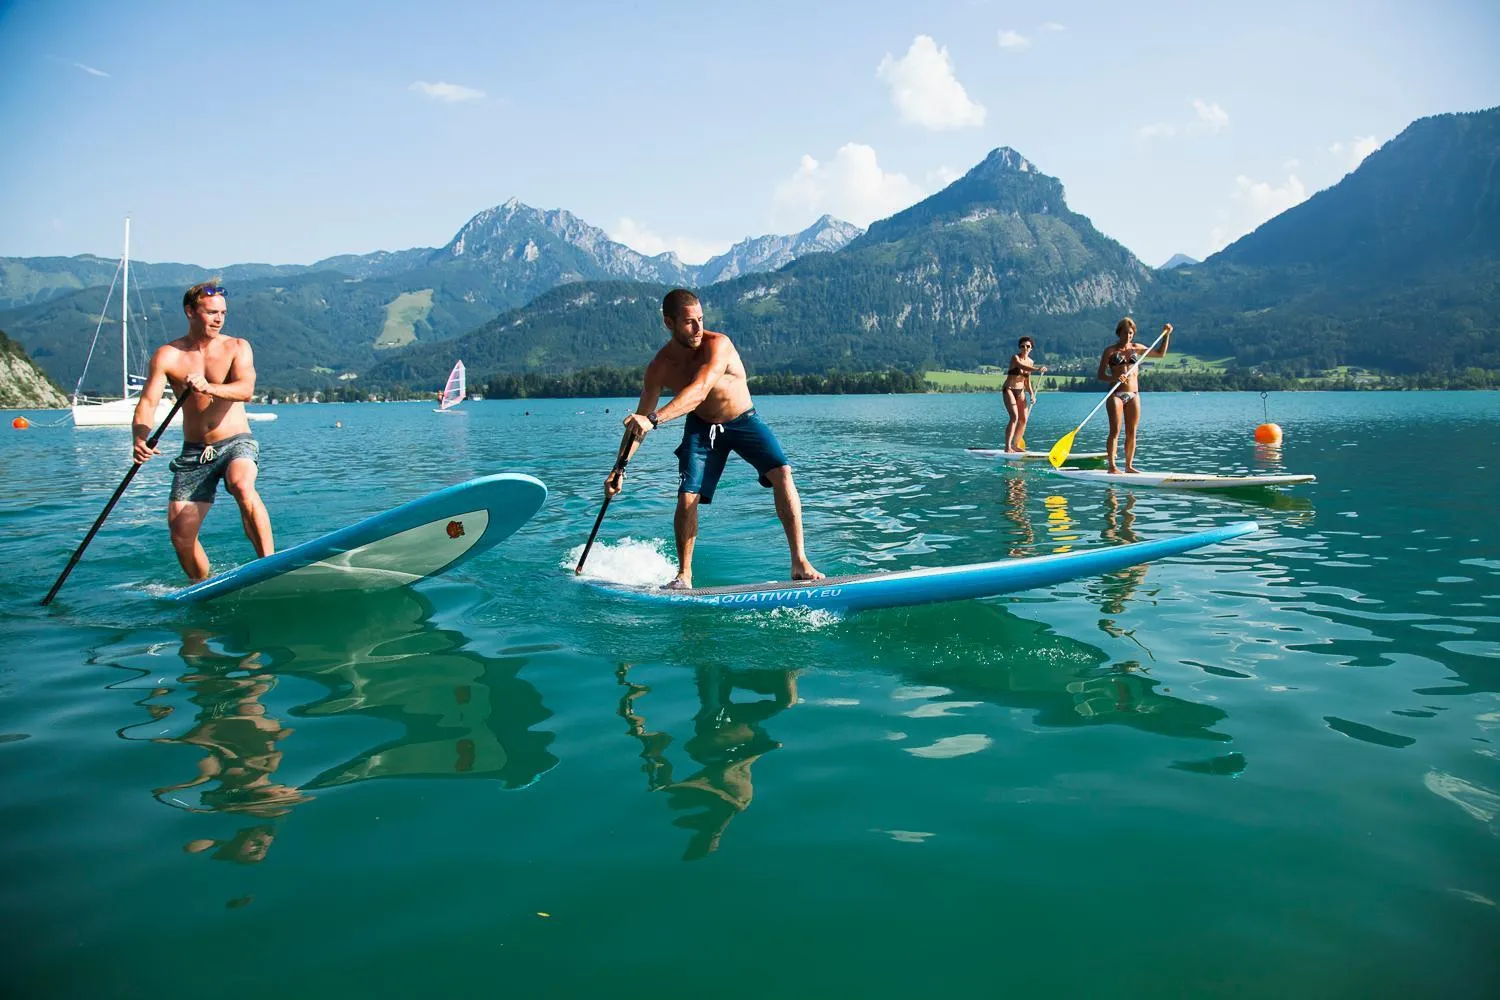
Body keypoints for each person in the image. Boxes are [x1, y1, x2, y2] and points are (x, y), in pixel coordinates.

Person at [606, 288, 822, 589]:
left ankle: (800, 562)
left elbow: (700, 390)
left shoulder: (718, 344)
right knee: (687, 496)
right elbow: (638, 423)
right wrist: (619, 469)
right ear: (669, 323)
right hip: (701, 428)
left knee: (783, 473)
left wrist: (654, 419)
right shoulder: (660, 366)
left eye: (701, 319)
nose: (698, 328)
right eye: (689, 322)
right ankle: (684, 575)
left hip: (743, 420)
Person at [133, 279, 274, 580]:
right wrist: (140, 436)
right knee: (180, 533)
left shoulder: (237, 347)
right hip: (195, 451)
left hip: (236, 441)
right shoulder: (168, 356)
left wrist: (209, 387)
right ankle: (203, 584)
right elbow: (147, 401)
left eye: (222, 313)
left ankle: (270, 566)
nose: (219, 318)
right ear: (190, 311)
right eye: (211, 312)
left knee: (241, 484)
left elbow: (246, 389)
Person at [1096, 317, 1171, 474]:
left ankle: (1128, 466)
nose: (1128, 336)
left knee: (1132, 432)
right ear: (1119, 333)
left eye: (1130, 333)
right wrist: (1114, 378)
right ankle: (1112, 466)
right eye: (1125, 333)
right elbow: (1101, 375)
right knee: (1115, 430)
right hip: (1115, 394)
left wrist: (1166, 335)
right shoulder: (1110, 351)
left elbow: (1160, 354)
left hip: (1133, 394)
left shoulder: (1137, 348)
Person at [1002, 336, 1047, 452]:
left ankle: (1016, 445)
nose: (1025, 348)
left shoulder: (1031, 362)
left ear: (1031, 348)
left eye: (1028, 346)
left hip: (1021, 391)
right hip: (1009, 389)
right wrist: (1037, 369)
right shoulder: (1015, 358)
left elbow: (1027, 380)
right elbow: (1021, 366)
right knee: (1014, 417)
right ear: (1019, 347)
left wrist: (1032, 394)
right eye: (1023, 346)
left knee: (1023, 419)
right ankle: (1007, 447)